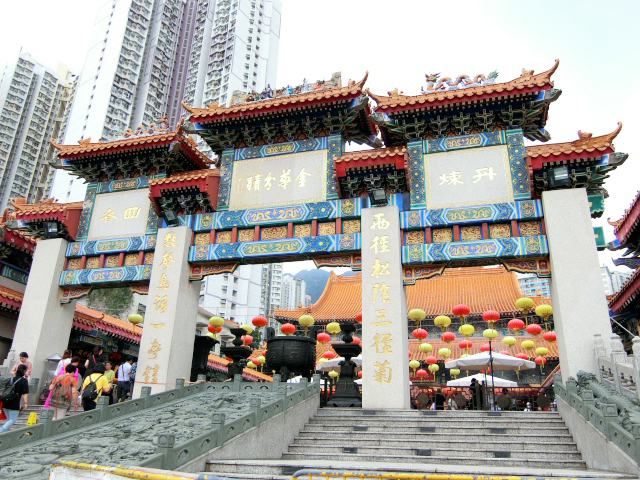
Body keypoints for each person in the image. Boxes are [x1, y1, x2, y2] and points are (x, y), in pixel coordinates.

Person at [1, 364, 29, 432]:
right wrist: (26, 403)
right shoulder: (24, 380)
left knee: (9, 420)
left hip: (5, 401)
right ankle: (1, 430)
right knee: (13, 419)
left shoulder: (10, 379)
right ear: (24, 371)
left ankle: (4, 434)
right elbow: (25, 393)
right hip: (14, 403)